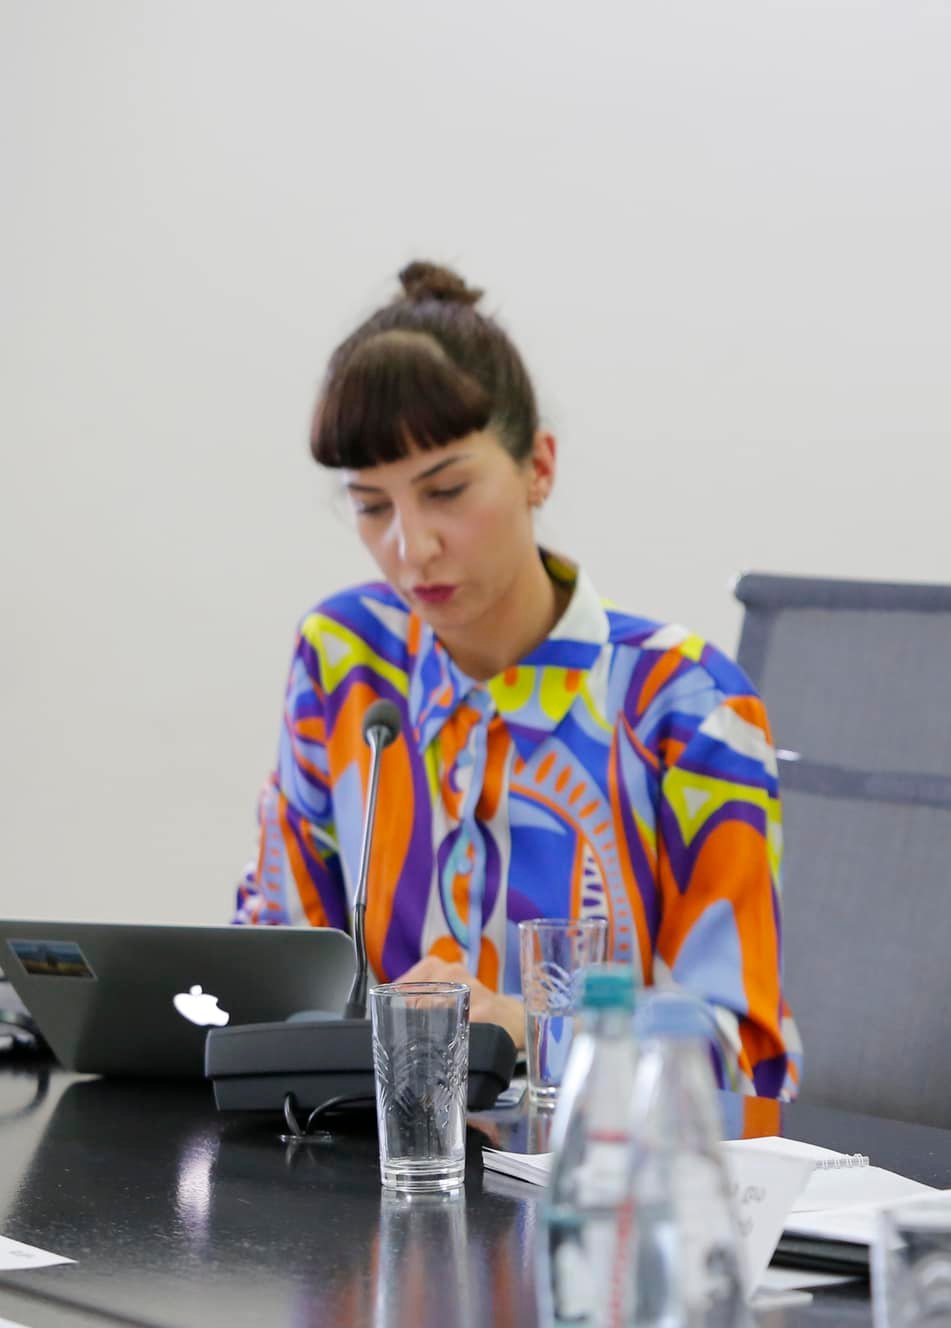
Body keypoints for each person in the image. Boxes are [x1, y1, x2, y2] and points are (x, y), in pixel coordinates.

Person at [234, 261, 798, 1100]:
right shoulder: (344, 662)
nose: (411, 547)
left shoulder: (687, 705)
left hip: (597, 1170)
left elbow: (746, 1054)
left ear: (539, 466)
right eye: (372, 506)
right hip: (376, 1165)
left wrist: (530, 1028)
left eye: (446, 491)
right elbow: (276, 963)